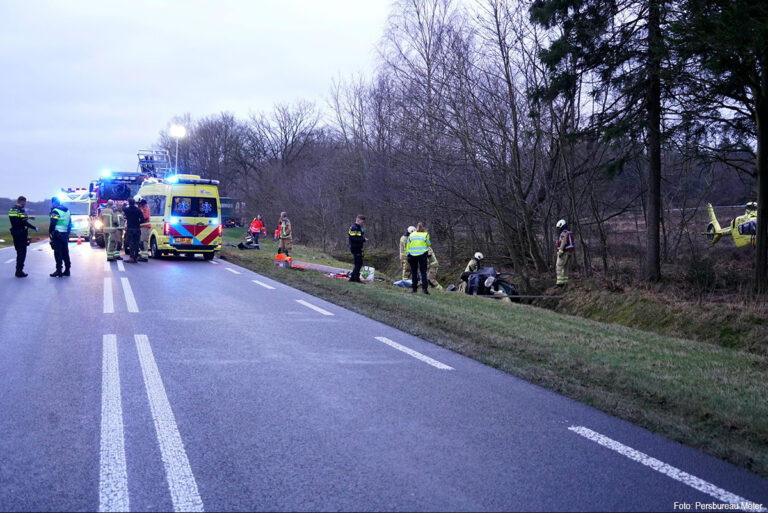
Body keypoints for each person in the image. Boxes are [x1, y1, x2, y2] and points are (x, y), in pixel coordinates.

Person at [8, 195, 38, 277]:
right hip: (22, 233)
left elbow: (18, 219)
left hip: (14, 232)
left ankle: (18, 270)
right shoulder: (21, 210)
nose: (25, 204)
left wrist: (28, 217)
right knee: (22, 252)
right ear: (22, 201)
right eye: (25, 202)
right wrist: (34, 227)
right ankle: (19, 271)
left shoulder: (12, 209)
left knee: (18, 252)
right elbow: (24, 222)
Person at [49, 197, 72, 277]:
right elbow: (70, 224)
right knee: (65, 252)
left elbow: (52, 224)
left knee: (58, 253)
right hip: (65, 234)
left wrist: (51, 233)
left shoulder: (56, 211)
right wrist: (67, 234)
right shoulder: (67, 211)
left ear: (54, 203)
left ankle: (59, 270)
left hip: (57, 235)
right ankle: (67, 270)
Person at [406, 222, 431, 294]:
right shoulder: (425, 234)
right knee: (423, 272)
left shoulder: (411, 235)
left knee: (414, 272)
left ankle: (414, 289)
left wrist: (408, 255)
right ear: (423, 228)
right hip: (422, 255)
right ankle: (424, 290)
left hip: (412, 255)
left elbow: (408, 246)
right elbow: (428, 243)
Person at [122, 198, 145, 263]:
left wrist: (124, 204)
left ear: (129, 203)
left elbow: (123, 208)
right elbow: (143, 220)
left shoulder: (127, 210)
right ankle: (136, 257)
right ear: (135, 203)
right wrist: (138, 223)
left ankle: (131, 257)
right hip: (137, 229)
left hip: (130, 229)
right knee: (136, 243)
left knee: (131, 243)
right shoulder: (138, 210)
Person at [555, 218, 575, 287]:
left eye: (559, 227)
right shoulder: (569, 232)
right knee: (566, 267)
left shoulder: (564, 233)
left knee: (559, 266)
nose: (558, 229)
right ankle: (566, 282)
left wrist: (560, 253)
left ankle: (560, 283)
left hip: (564, 253)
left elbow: (563, 243)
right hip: (569, 253)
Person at [348, 215, 367, 283]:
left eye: (364, 222)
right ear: (358, 220)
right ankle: (355, 278)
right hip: (355, 247)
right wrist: (363, 239)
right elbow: (354, 238)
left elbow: (359, 236)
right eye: (362, 222)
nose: (363, 224)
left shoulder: (359, 227)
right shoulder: (354, 227)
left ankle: (353, 278)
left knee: (358, 263)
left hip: (358, 247)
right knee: (359, 263)